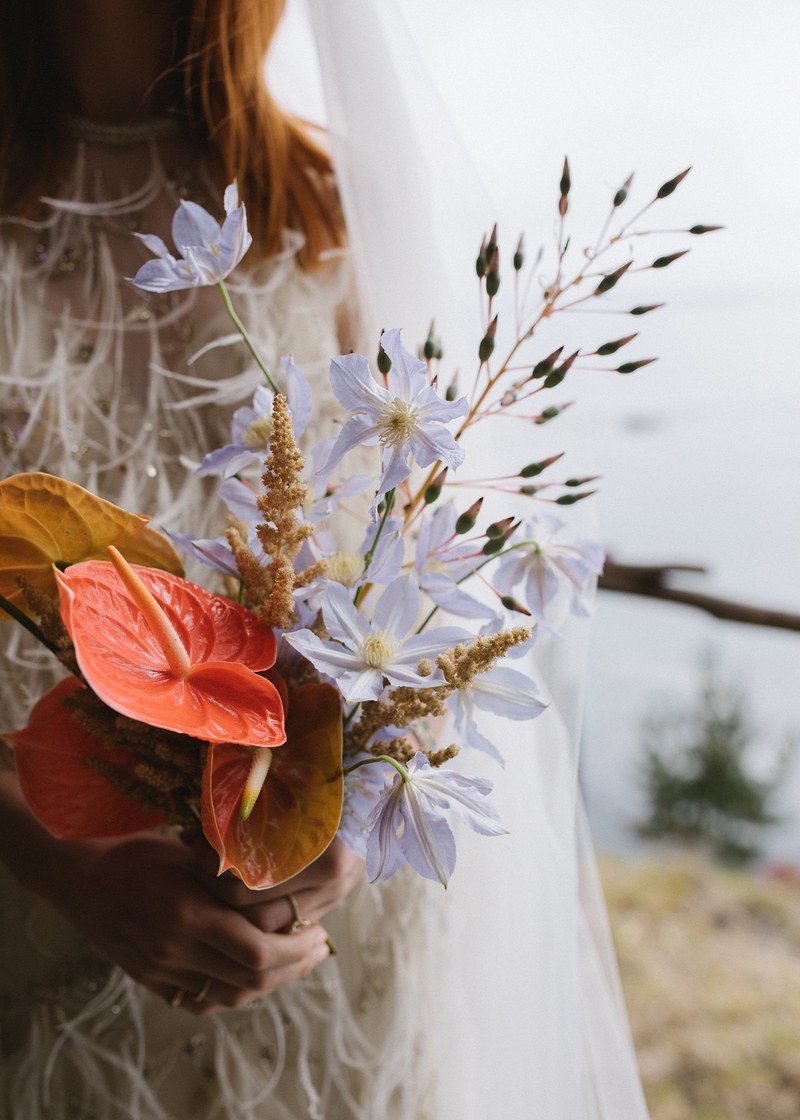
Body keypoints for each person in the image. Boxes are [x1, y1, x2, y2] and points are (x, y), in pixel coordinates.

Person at [0, 1, 650, 1117]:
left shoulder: (326, 209)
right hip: (37, 909)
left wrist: (346, 818)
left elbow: (419, 572)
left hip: (336, 945)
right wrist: (67, 866)